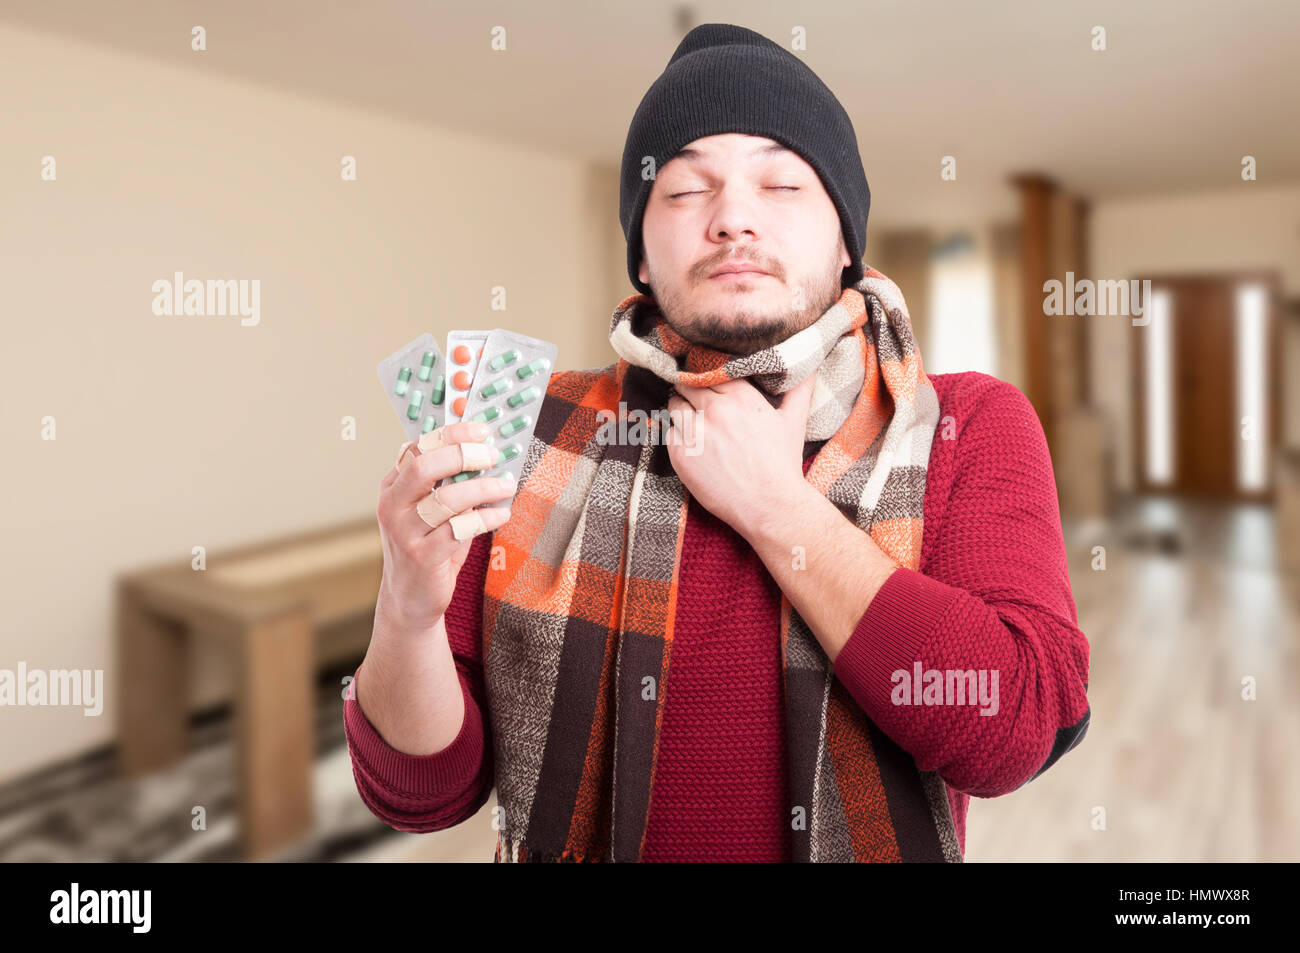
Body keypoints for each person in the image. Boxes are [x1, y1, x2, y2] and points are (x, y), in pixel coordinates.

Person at [344, 23, 1091, 863]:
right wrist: (406, 610)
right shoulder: (532, 432)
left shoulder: (968, 425)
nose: (734, 218)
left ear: (847, 240)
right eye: (685, 190)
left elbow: (1020, 722)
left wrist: (776, 508)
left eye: (782, 185)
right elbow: (427, 792)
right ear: (641, 256)